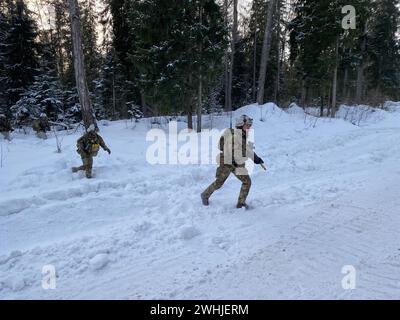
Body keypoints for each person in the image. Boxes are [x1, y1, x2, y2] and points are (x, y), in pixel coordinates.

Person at [201, 115, 265, 209]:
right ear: (241, 125)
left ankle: (241, 203)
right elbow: (227, 149)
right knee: (219, 183)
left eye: (250, 125)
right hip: (227, 163)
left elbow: (246, 149)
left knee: (247, 181)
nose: (249, 127)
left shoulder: (242, 135)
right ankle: (205, 195)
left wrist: (256, 158)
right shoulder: (234, 135)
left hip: (237, 164)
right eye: (247, 125)